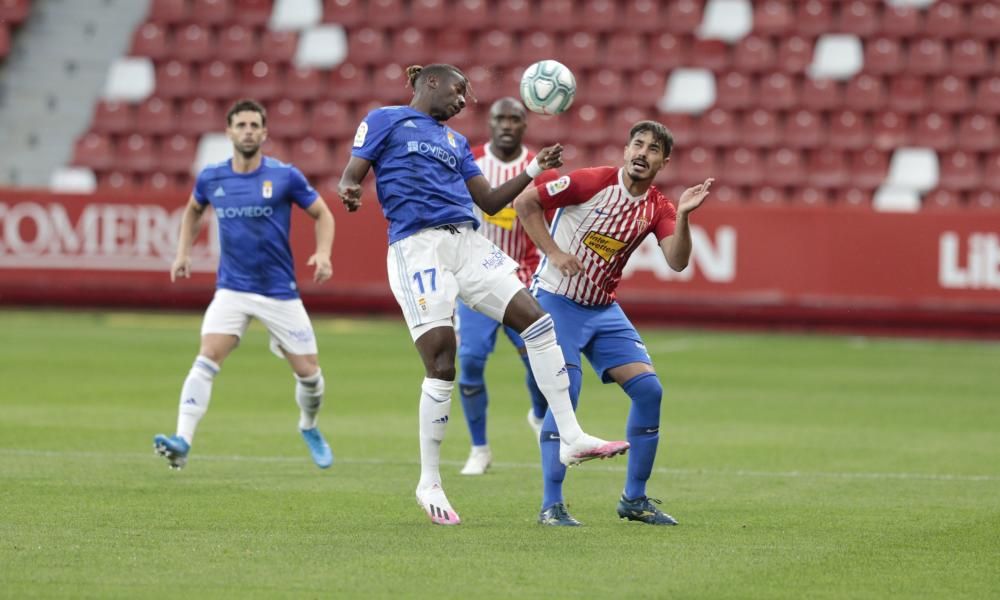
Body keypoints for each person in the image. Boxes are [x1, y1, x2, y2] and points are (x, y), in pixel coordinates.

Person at [337, 64, 629, 525]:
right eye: (458, 91)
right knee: (442, 362)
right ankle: (429, 480)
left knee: (537, 321)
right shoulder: (384, 120)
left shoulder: (455, 143)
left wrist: (533, 168)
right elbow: (351, 175)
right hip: (419, 248)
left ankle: (570, 436)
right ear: (430, 82)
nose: (462, 101)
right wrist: (351, 189)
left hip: (469, 243)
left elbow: (491, 202)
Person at [513, 120, 713, 526]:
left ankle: (634, 499)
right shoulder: (592, 181)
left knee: (649, 391)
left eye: (652, 149)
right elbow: (525, 204)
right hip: (556, 300)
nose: (642, 153)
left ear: (664, 161)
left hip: (602, 308)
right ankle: (551, 505)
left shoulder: (658, 207)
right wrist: (551, 251)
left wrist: (687, 216)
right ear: (625, 150)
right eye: (637, 145)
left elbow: (676, 260)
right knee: (565, 391)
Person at [154, 98, 336, 471]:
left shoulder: (285, 176)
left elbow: (323, 213)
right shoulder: (212, 177)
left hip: (279, 292)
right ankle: (182, 441)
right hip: (232, 290)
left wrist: (323, 253)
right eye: (242, 125)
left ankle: (309, 426)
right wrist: (182, 253)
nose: (248, 131)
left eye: (255, 125)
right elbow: (193, 210)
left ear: (265, 133)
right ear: (229, 132)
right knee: (206, 359)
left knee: (310, 375)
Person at [457, 97, 555, 476]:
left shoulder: (540, 169)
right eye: (501, 118)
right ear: (491, 122)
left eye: (516, 118)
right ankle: (479, 448)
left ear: (525, 125)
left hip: (523, 280)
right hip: (476, 280)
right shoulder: (472, 162)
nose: (508, 125)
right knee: (469, 362)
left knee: (538, 359)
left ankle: (537, 413)